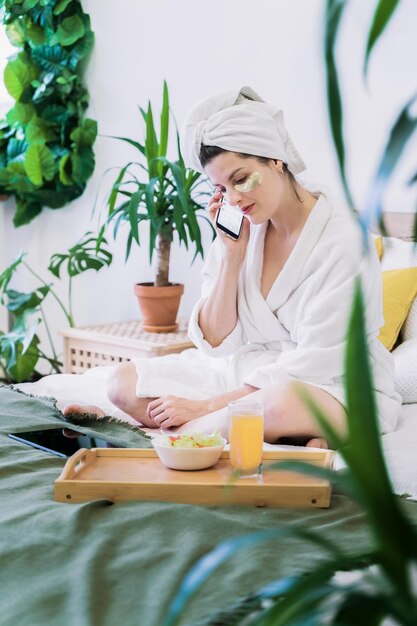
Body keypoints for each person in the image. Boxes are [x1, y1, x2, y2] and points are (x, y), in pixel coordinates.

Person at [64, 85, 401, 446]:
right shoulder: (245, 227)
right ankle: (290, 438)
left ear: (276, 159)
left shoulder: (344, 239)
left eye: (240, 179)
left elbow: (318, 361)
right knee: (123, 384)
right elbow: (214, 342)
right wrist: (231, 256)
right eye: (221, 188)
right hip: (246, 372)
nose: (234, 199)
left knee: (280, 405)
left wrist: (204, 406)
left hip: (333, 383)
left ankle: (146, 436)